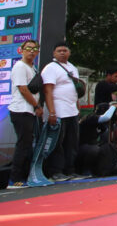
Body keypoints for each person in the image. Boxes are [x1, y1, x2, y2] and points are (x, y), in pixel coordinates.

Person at [41, 41, 81, 181]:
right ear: (54, 53)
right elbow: (48, 91)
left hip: (72, 110)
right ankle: (55, 171)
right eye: (59, 51)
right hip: (58, 111)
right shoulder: (50, 68)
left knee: (71, 142)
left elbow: (75, 89)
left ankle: (70, 170)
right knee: (57, 143)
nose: (62, 53)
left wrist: (77, 107)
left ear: (69, 52)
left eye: (65, 50)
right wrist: (52, 112)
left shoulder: (72, 68)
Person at [7, 39, 43, 189]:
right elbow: (23, 89)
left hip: (29, 111)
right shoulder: (20, 66)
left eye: (34, 49)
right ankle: (13, 180)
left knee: (27, 144)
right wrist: (36, 106)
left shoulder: (33, 68)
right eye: (28, 48)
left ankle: (24, 177)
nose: (31, 51)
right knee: (23, 144)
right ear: (21, 50)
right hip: (20, 110)